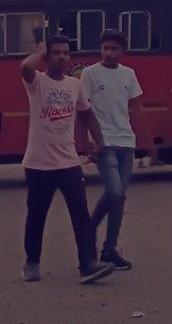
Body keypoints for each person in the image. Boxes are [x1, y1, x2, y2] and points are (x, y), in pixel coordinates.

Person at [20, 37, 115, 284]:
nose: (62, 57)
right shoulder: (37, 82)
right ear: (47, 57)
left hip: (68, 162)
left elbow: (87, 115)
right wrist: (39, 52)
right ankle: (32, 262)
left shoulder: (74, 85)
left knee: (80, 215)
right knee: (37, 215)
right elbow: (25, 68)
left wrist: (99, 143)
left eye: (66, 53)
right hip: (39, 163)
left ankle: (88, 264)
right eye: (56, 53)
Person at [81, 29, 158, 270]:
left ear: (123, 51)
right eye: (105, 48)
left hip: (127, 143)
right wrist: (85, 142)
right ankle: (88, 231)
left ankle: (109, 249)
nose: (109, 53)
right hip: (104, 143)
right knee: (114, 192)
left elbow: (137, 109)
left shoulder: (129, 75)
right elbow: (82, 110)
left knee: (119, 196)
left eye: (114, 49)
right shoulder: (90, 73)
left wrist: (150, 144)